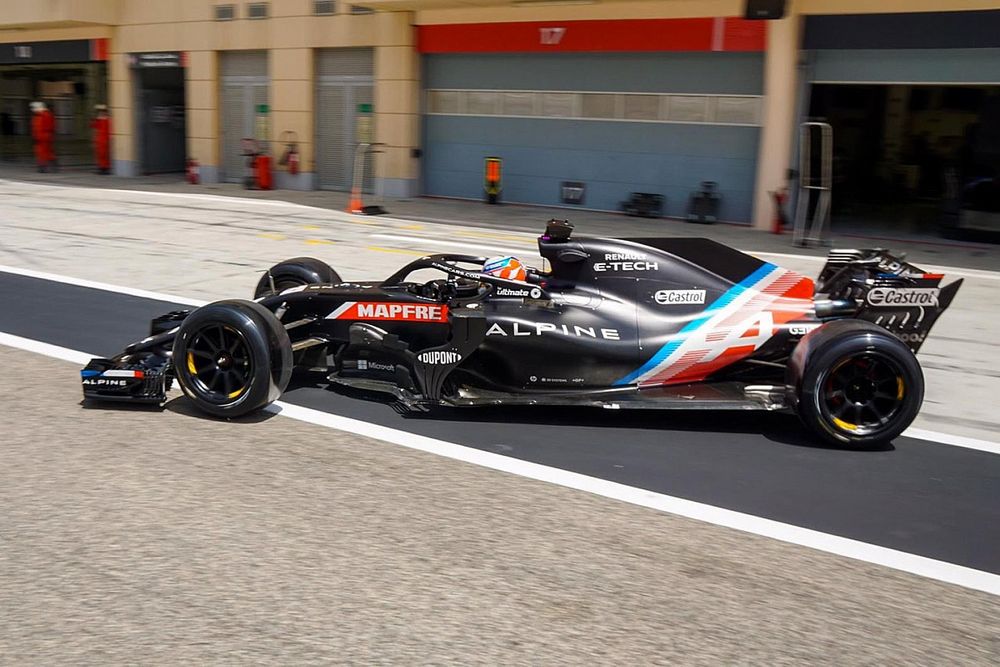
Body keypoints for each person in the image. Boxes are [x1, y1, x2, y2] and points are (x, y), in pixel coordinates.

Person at [30, 101, 56, 173]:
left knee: (44, 152)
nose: (33, 110)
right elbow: (35, 128)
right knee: (42, 152)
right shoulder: (37, 116)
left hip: (44, 137)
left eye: (34, 108)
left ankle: (44, 166)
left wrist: (46, 137)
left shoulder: (46, 115)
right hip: (40, 137)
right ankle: (46, 166)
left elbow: (49, 127)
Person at [91, 104, 111, 175]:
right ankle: (101, 168)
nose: (100, 114)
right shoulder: (100, 120)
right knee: (100, 155)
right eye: (100, 112)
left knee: (104, 155)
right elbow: (93, 126)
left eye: (102, 112)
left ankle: (104, 168)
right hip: (99, 139)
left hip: (104, 139)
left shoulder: (107, 120)